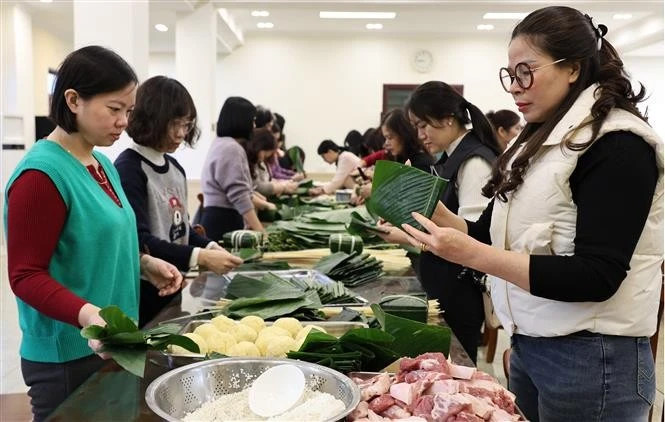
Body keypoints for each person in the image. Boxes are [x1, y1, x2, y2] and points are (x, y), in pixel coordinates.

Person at [400, 6, 662, 421]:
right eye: (510, 74)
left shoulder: (617, 143)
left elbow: (597, 275)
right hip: (531, 344)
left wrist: (469, 254)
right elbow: (488, 231)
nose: (515, 88)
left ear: (573, 68)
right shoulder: (539, 139)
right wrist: (437, 216)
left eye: (527, 71)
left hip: (592, 357)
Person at [4, 46, 183, 421]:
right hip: (69, 356)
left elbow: (95, 241)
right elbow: (25, 275)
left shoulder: (101, 162)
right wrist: (87, 315)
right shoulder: (40, 176)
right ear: (73, 100)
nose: (123, 122)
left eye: (128, 112)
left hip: (112, 343)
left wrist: (144, 264)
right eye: (114, 109)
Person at [378, 81, 501, 363]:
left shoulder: (474, 162)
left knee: (456, 367)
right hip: (444, 280)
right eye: (416, 127)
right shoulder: (451, 157)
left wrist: (409, 233)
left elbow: (475, 235)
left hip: (460, 289)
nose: (420, 135)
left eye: (424, 126)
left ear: (448, 118)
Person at [114, 76, 242, 326]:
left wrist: (210, 246)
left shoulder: (175, 168)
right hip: (145, 290)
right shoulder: (129, 168)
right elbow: (140, 241)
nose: (181, 134)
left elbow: (181, 230)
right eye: (174, 124)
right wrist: (200, 258)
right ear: (151, 119)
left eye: (186, 125)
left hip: (175, 285)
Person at [200, 97, 266, 240]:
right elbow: (239, 195)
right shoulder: (231, 148)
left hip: (218, 217)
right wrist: (261, 231)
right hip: (222, 220)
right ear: (241, 120)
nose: (254, 126)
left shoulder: (221, 143)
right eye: (252, 120)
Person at [246, 127, 298, 198]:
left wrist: (284, 183)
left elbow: (268, 180)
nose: (262, 160)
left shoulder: (260, 162)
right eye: (264, 156)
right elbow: (258, 186)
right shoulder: (248, 162)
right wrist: (283, 186)